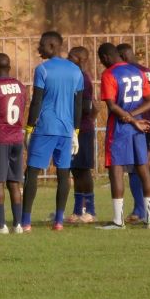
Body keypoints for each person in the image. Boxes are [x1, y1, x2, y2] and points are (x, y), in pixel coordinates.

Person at [22, 31, 84, 232]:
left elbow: (36, 100)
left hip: (46, 128)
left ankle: (26, 222)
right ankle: (58, 221)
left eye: (41, 45)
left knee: (32, 172)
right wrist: (75, 130)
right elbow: (78, 103)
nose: (38, 48)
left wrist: (29, 128)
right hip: (66, 131)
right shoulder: (76, 71)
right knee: (63, 174)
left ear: (51, 45)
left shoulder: (43, 70)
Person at [96, 43, 150, 229]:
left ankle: (118, 220)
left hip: (120, 128)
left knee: (116, 170)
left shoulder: (109, 74)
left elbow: (112, 106)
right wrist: (136, 118)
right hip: (138, 127)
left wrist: (130, 120)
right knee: (143, 169)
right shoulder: (137, 71)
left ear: (105, 57)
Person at [117, 43, 150, 221]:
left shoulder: (126, 73)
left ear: (122, 56)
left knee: (134, 168)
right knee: (144, 165)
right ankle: (146, 211)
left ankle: (140, 210)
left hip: (133, 124)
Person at [0, 52, 26, 234]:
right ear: (9, 67)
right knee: (15, 183)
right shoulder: (20, 86)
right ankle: (18, 225)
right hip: (17, 136)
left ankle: (1, 225)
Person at [66, 45, 98, 223]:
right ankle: (78, 210)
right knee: (76, 170)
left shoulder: (83, 79)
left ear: (80, 59)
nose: (67, 59)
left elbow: (86, 107)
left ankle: (90, 210)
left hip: (82, 129)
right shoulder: (75, 77)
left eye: (70, 56)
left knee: (84, 171)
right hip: (72, 128)